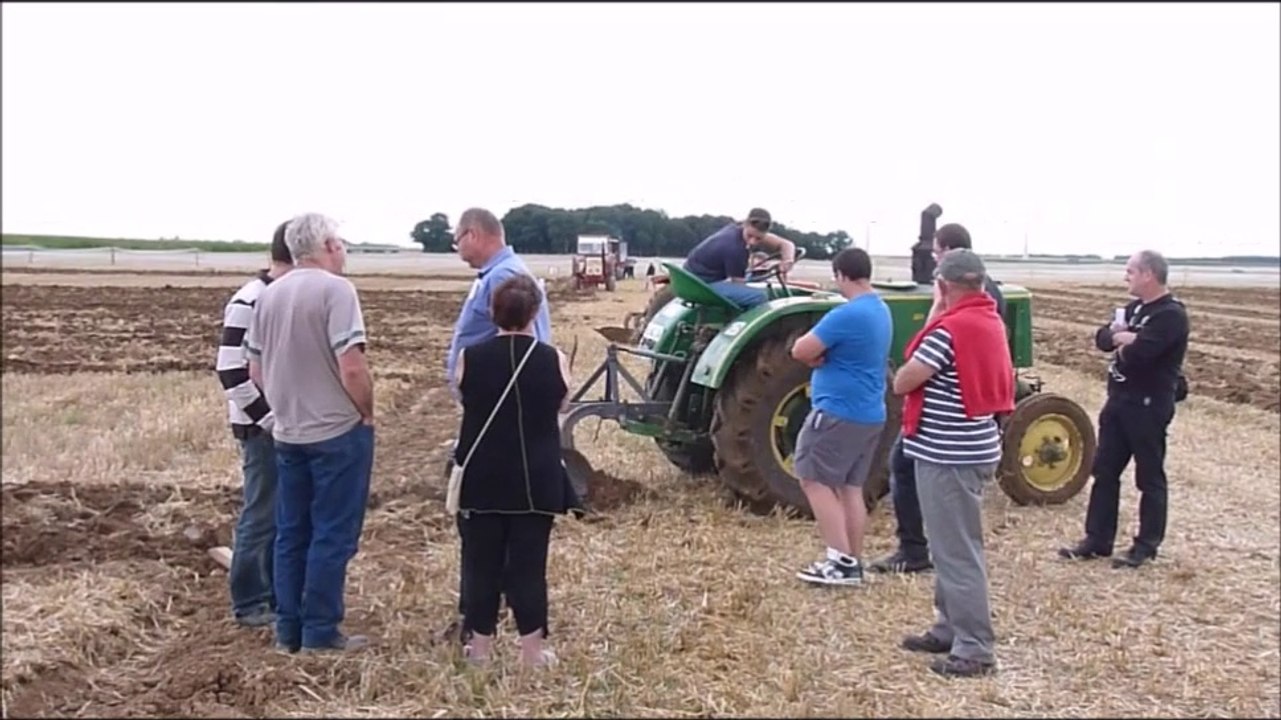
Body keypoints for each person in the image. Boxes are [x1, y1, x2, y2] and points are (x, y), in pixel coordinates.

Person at [245, 212, 376, 654]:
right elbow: (352, 366)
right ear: (325, 246)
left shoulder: (268, 294)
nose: (343, 249)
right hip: (336, 431)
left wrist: (284, 406)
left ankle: (289, 631)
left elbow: (255, 369)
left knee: (291, 532)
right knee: (332, 533)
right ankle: (321, 631)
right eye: (338, 241)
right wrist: (367, 412)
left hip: (287, 433)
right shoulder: (338, 291)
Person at [892, 249, 1014, 678]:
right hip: (973, 446)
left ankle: (975, 648)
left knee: (957, 551)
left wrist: (934, 314)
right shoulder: (990, 320)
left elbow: (905, 379)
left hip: (948, 454)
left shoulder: (950, 329)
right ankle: (948, 628)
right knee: (952, 544)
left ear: (943, 286)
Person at [452, 274, 581, 667]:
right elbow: (561, 406)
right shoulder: (553, 359)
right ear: (535, 312)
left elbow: (464, 399)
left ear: (492, 312)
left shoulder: (468, 358)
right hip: (535, 478)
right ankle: (532, 653)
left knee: (479, 564)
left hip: (481, 477)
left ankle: (479, 651)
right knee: (528, 566)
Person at [443, 207, 555, 642]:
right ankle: (493, 620)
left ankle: (481, 623)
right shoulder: (497, 274)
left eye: (458, 239)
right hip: (499, 417)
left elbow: (532, 348)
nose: (456, 249)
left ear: (474, 234)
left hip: (501, 425)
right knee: (510, 535)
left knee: (487, 535)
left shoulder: (504, 278)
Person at [869, 222, 1006, 575]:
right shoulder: (987, 298)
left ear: (945, 258)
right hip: (966, 413)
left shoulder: (955, 313)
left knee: (955, 543)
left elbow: (907, 376)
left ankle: (914, 548)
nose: (932, 263)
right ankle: (914, 545)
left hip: (948, 420)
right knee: (904, 465)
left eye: (935, 255)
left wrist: (935, 309)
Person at [1058, 250, 1189, 569]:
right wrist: (1123, 337)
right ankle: (1097, 540)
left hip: (1147, 406)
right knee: (1104, 471)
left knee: (1149, 476)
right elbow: (1103, 339)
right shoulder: (1133, 309)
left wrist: (1129, 339)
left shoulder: (1170, 315)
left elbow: (1142, 353)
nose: (1125, 276)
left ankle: (1146, 546)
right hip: (1118, 401)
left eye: (1130, 271)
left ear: (1149, 274)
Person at [788, 247, 893, 585]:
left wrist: (818, 358)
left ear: (840, 275)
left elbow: (801, 349)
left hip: (838, 412)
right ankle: (853, 560)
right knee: (850, 487)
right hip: (871, 413)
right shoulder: (881, 309)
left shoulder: (847, 314)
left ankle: (839, 560)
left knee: (812, 478)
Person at [215, 219, 293, 628]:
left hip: (280, 427)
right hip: (260, 429)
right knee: (261, 514)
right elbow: (230, 371)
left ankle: (274, 594)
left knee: (280, 513)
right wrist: (269, 421)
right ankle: (248, 602)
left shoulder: (279, 297)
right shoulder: (251, 300)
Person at [682, 207, 797, 309]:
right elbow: (738, 283)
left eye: (759, 239)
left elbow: (787, 244)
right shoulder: (735, 248)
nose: (752, 242)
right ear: (745, 224)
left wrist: (787, 260)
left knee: (751, 277)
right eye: (750, 236)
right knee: (759, 296)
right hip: (700, 285)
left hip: (692, 279)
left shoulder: (736, 229)